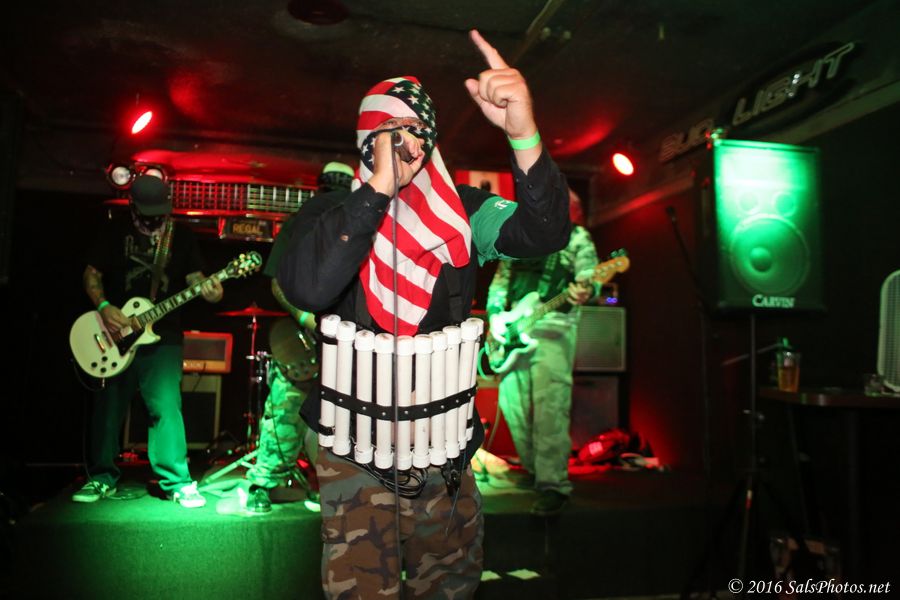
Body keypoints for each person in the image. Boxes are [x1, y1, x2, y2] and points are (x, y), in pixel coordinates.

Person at [275, 30, 572, 599]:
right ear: (364, 140)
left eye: (414, 130)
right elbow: (308, 287)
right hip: (354, 447)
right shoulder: (331, 212)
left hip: (444, 448)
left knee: (451, 585)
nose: (402, 142)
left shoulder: (462, 212)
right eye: (387, 130)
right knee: (362, 590)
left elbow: (545, 231)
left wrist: (523, 134)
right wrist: (379, 189)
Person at [73, 174, 223, 508]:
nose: (155, 220)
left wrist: (210, 290)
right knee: (108, 407)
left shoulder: (181, 236)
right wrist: (104, 306)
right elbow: (91, 274)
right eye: (148, 214)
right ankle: (101, 477)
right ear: (132, 205)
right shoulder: (114, 231)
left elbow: (196, 277)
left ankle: (177, 482)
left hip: (163, 336)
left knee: (166, 407)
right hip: (115, 335)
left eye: (160, 213)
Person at [243, 161, 354, 514]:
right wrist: (307, 319)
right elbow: (278, 282)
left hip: (340, 336)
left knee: (337, 417)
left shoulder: (360, 226)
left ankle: (327, 485)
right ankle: (268, 481)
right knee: (288, 406)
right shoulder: (303, 224)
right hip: (309, 335)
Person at [486, 190, 600, 516]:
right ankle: (535, 470)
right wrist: (495, 317)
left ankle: (553, 484)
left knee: (550, 406)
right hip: (514, 331)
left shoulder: (576, 237)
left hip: (553, 328)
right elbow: (500, 281)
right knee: (513, 405)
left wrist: (586, 289)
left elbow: (589, 276)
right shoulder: (518, 237)